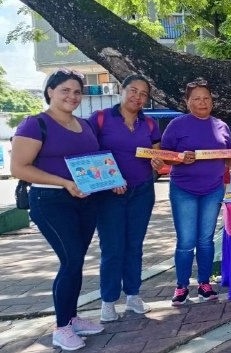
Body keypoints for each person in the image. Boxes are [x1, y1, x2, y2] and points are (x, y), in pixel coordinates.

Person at [11, 68, 104, 350]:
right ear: (50, 91)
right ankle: (61, 328)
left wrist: (109, 179)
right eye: (65, 90)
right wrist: (63, 182)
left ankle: (72, 318)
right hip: (50, 202)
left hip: (85, 200)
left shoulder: (85, 125)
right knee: (71, 261)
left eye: (77, 92)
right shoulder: (34, 124)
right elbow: (19, 168)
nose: (72, 96)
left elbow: (93, 162)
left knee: (76, 261)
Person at [88, 75, 163, 322]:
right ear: (121, 90)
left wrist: (157, 162)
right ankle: (108, 301)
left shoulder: (150, 124)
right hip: (108, 194)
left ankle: (133, 295)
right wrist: (111, 181)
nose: (137, 97)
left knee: (134, 245)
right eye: (133, 90)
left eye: (143, 94)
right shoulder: (100, 119)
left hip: (141, 191)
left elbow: (157, 154)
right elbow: (87, 155)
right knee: (112, 248)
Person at [160, 79, 231, 306]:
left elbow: (228, 160)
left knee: (205, 240)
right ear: (187, 102)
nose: (202, 102)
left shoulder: (222, 126)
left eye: (206, 98)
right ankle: (181, 286)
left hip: (213, 190)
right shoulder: (177, 125)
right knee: (186, 240)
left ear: (212, 101)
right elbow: (164, 157)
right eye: (196, 98)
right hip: (183, 189)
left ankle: (204, 283)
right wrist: (179, 157)